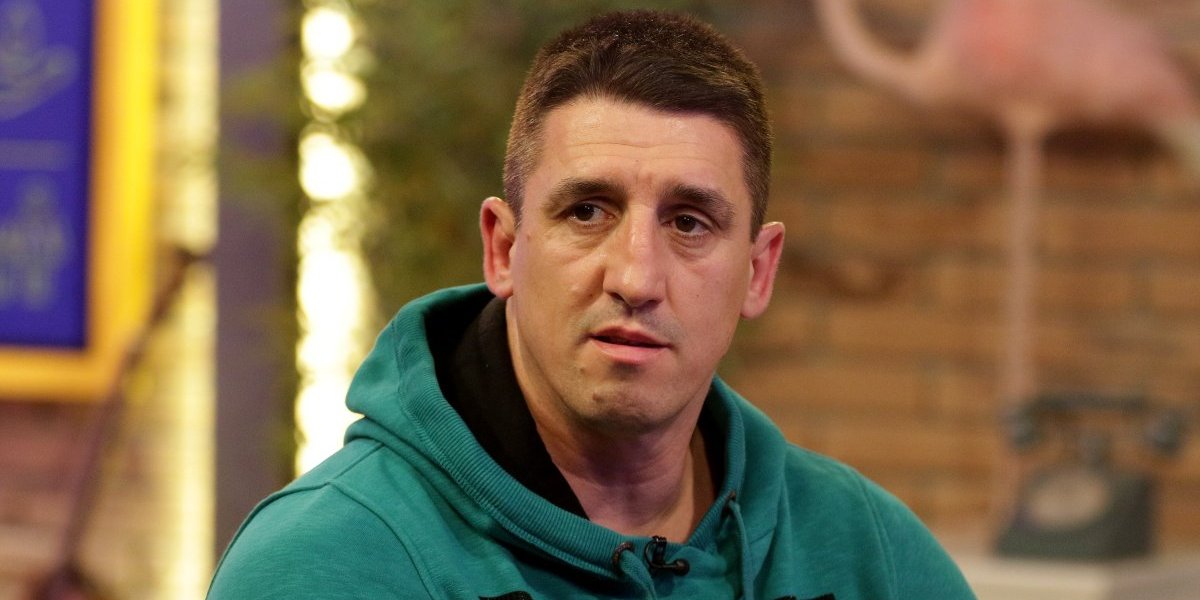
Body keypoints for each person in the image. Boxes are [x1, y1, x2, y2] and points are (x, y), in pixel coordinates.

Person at [208, 10, 975, 599]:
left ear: (757, 271)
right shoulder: (330, 564)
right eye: (587, 212)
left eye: (689, 223)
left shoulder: (871, 557)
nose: (636, 277)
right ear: (503, 249)